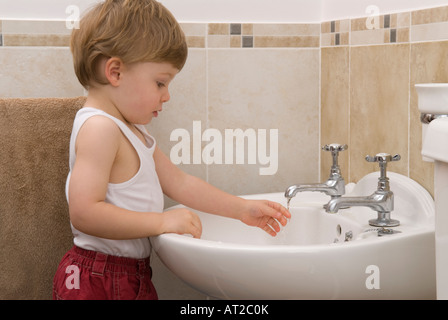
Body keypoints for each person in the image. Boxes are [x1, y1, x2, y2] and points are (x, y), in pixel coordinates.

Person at [53, 0, 290, 300]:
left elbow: (180, 183)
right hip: (98, 278)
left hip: (126, 275)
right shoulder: (100, 129)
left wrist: (240, 209)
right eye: (160, 82)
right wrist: (161, 222)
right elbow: (84, 213)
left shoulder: (133, 131)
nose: (167, 96)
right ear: (115, 72)